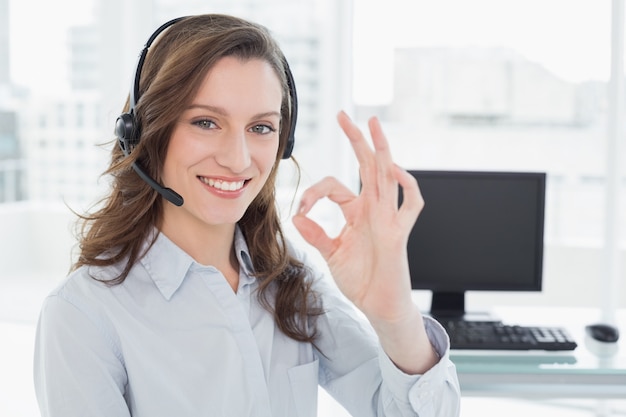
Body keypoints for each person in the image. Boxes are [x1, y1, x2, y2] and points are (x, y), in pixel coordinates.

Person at [33, 13, 461, 417]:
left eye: (260, 128)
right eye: (205, 122)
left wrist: (394, 316)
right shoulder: (82, 315)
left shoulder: (290, 281)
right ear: (144, 131)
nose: (238, 161)